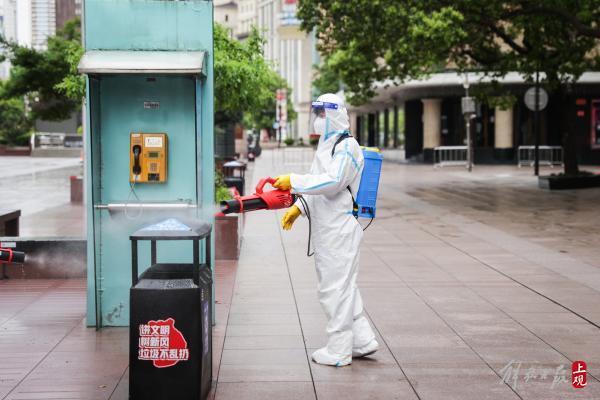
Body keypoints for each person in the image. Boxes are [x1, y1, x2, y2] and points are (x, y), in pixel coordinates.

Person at [273, 93, 379, 367]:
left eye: (322, 114)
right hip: (328, 229)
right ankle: (363, 340)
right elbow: (318, 186)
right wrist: (299, 208)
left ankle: (339, 350)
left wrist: (294, 181)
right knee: (345, 287)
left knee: (334, 290)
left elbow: (333, 182)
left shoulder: (347, 147)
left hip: (339, 230)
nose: (318, 120)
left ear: (334, 114)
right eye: (316, 114)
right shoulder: (326, 147)